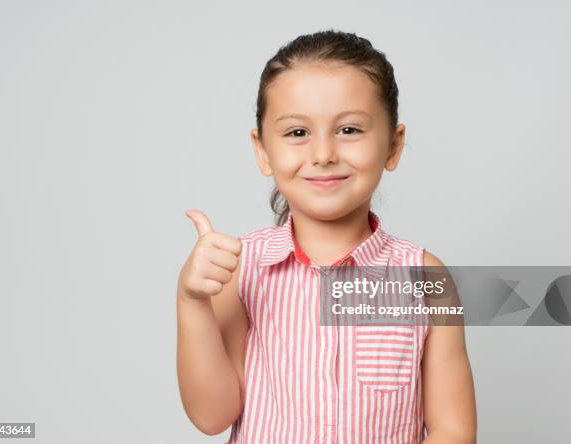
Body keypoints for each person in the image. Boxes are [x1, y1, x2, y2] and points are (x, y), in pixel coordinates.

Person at [176, 29, 477, 444]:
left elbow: (453, 429)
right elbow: (213, 416)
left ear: (393, 145)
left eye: (349, 130)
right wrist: (192, 301)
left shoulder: (426, 281)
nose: (323, 154)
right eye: (297, 132)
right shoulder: (239, 270)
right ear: (262, 150)